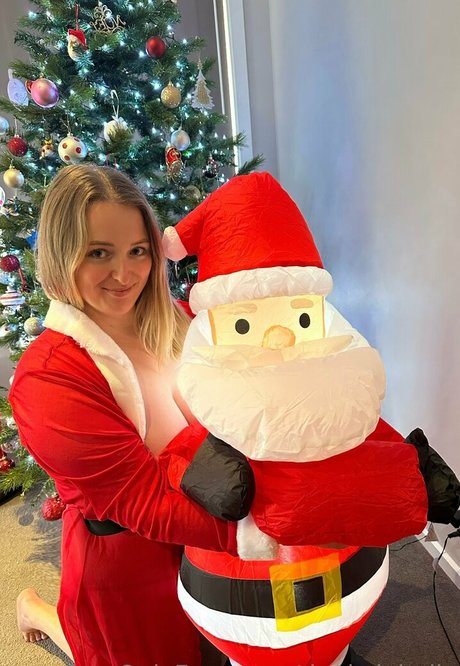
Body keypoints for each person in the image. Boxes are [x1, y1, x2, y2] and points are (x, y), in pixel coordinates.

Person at [162, 172, 460, 666]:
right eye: (245, 323)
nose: (279, 338)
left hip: (345, 576)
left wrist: (423, 473)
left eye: (301, 318)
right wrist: (203, 471)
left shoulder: (340, 403)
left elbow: (374, 437)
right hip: (241, 596)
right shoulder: (215, 401)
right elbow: (177, 455)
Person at [10, 164, 251, 666]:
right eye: (99, 253)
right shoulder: (47, 379)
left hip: (207, 536)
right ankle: (36, 609)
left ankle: (40, 611)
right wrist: (269, 530)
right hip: (131, 566)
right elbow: (142, 502)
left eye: (138, 251)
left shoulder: (176, 318)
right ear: (62, 254)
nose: (125, 275)